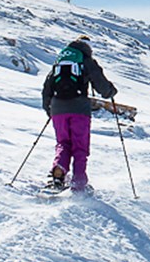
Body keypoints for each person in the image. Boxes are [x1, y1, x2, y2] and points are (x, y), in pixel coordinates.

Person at [41, 36, 118, 192]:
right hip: (79, 108)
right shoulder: (86, 60)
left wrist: (50, 110)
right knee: (80, 146)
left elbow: (47, 88)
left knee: (63, 143)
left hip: (57, 109)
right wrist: (110, 91)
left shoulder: (60, 61)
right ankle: (79, 181)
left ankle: (58, 172)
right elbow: (100, 82)